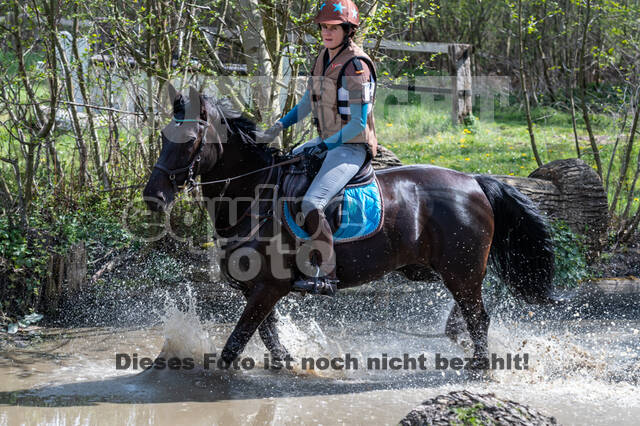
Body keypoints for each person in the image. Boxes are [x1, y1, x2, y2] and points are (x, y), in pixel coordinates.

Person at [263, 0, 378, 296]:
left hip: (351, 147)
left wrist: (323, 145)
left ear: (348, 30)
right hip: (326, 143)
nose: (327, 32)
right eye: (324, 27)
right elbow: (305, 104)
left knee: (313, 202)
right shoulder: (323, 58)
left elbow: (356, 125)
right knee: (281, 170)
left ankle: (327, 273)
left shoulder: (356, 66)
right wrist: (278, 126)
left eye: (333, 28)